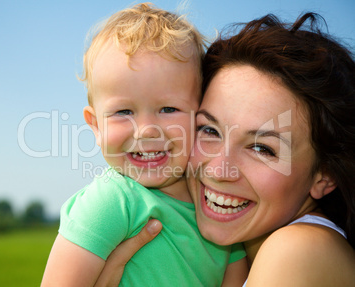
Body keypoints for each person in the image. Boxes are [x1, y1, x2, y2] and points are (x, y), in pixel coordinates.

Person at [93, 12, 355, 286]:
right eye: (209, 130)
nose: (219, 170)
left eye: (262, 148)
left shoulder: (298, 250)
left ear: (325, 175)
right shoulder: (237, 258)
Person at [41, 3, 247, 286]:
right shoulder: (113, 201)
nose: (147, 130)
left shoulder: (217, 205)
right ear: (96, 126)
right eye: (124, 112)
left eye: (168, 109)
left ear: (200, 116)